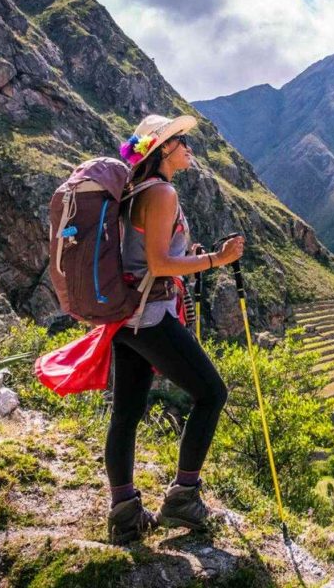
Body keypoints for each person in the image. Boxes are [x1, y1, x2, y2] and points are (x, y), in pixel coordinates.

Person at [106, 114, 245, 544]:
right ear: (164, 148)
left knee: (126, 412)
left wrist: (191, 253)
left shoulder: (136, 190)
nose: (188, 147)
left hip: (126, 317)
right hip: (150, 315)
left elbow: (150, 255)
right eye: (181, 140)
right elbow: (159, 263)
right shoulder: (162, 192)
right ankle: (183, 497)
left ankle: (125, 514)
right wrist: (216, 260)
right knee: (211, 394)